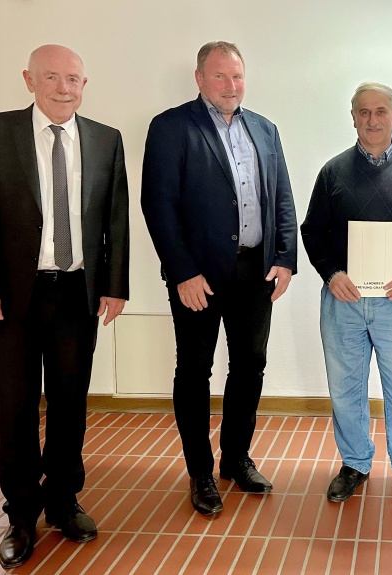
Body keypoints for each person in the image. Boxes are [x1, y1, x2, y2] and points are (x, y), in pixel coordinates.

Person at [0, 44, 129, 568]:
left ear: (84, 85)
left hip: (76, 293)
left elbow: (115, 219)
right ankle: (20, 515)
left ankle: (63, 500)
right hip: (11, 298)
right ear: (29, 79)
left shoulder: (105, 139)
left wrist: (115, 285)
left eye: (73, 79)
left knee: (70, 404)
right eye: (51, 77)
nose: (63, 88)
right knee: (15, 407)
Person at [141, 41, 297, 516]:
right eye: (220, 76)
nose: (231, 86)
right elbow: (158, 205)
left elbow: (282, 197)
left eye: (237, 76)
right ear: (199, 78)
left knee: (250, 365)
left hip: (256, 271)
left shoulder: (265, 129)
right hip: (199, 277)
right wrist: (182, 272)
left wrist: (285, 258)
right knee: (194, 371)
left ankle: (236, 458)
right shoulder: (171, 127)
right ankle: (200, 472)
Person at [301, 82, 392, 506]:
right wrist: (331, 274)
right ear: (353, 117)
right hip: (344, 301)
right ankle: (355, 462)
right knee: (345, 389)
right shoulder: (333, 172)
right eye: (364, 112)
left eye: (381, 111)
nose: (372, 119)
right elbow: (312, 231)